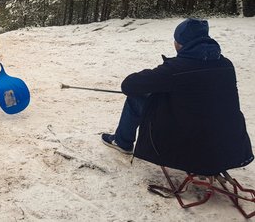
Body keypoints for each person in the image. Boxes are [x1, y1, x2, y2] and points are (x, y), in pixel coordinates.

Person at [101, 18, 253, 176]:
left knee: (136, 97)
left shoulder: (176, 69)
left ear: (182, 42)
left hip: (191, 143)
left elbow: (129, 85)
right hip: (231, 146)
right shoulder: (226, 65)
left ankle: (122, 142)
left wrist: (159, 76)